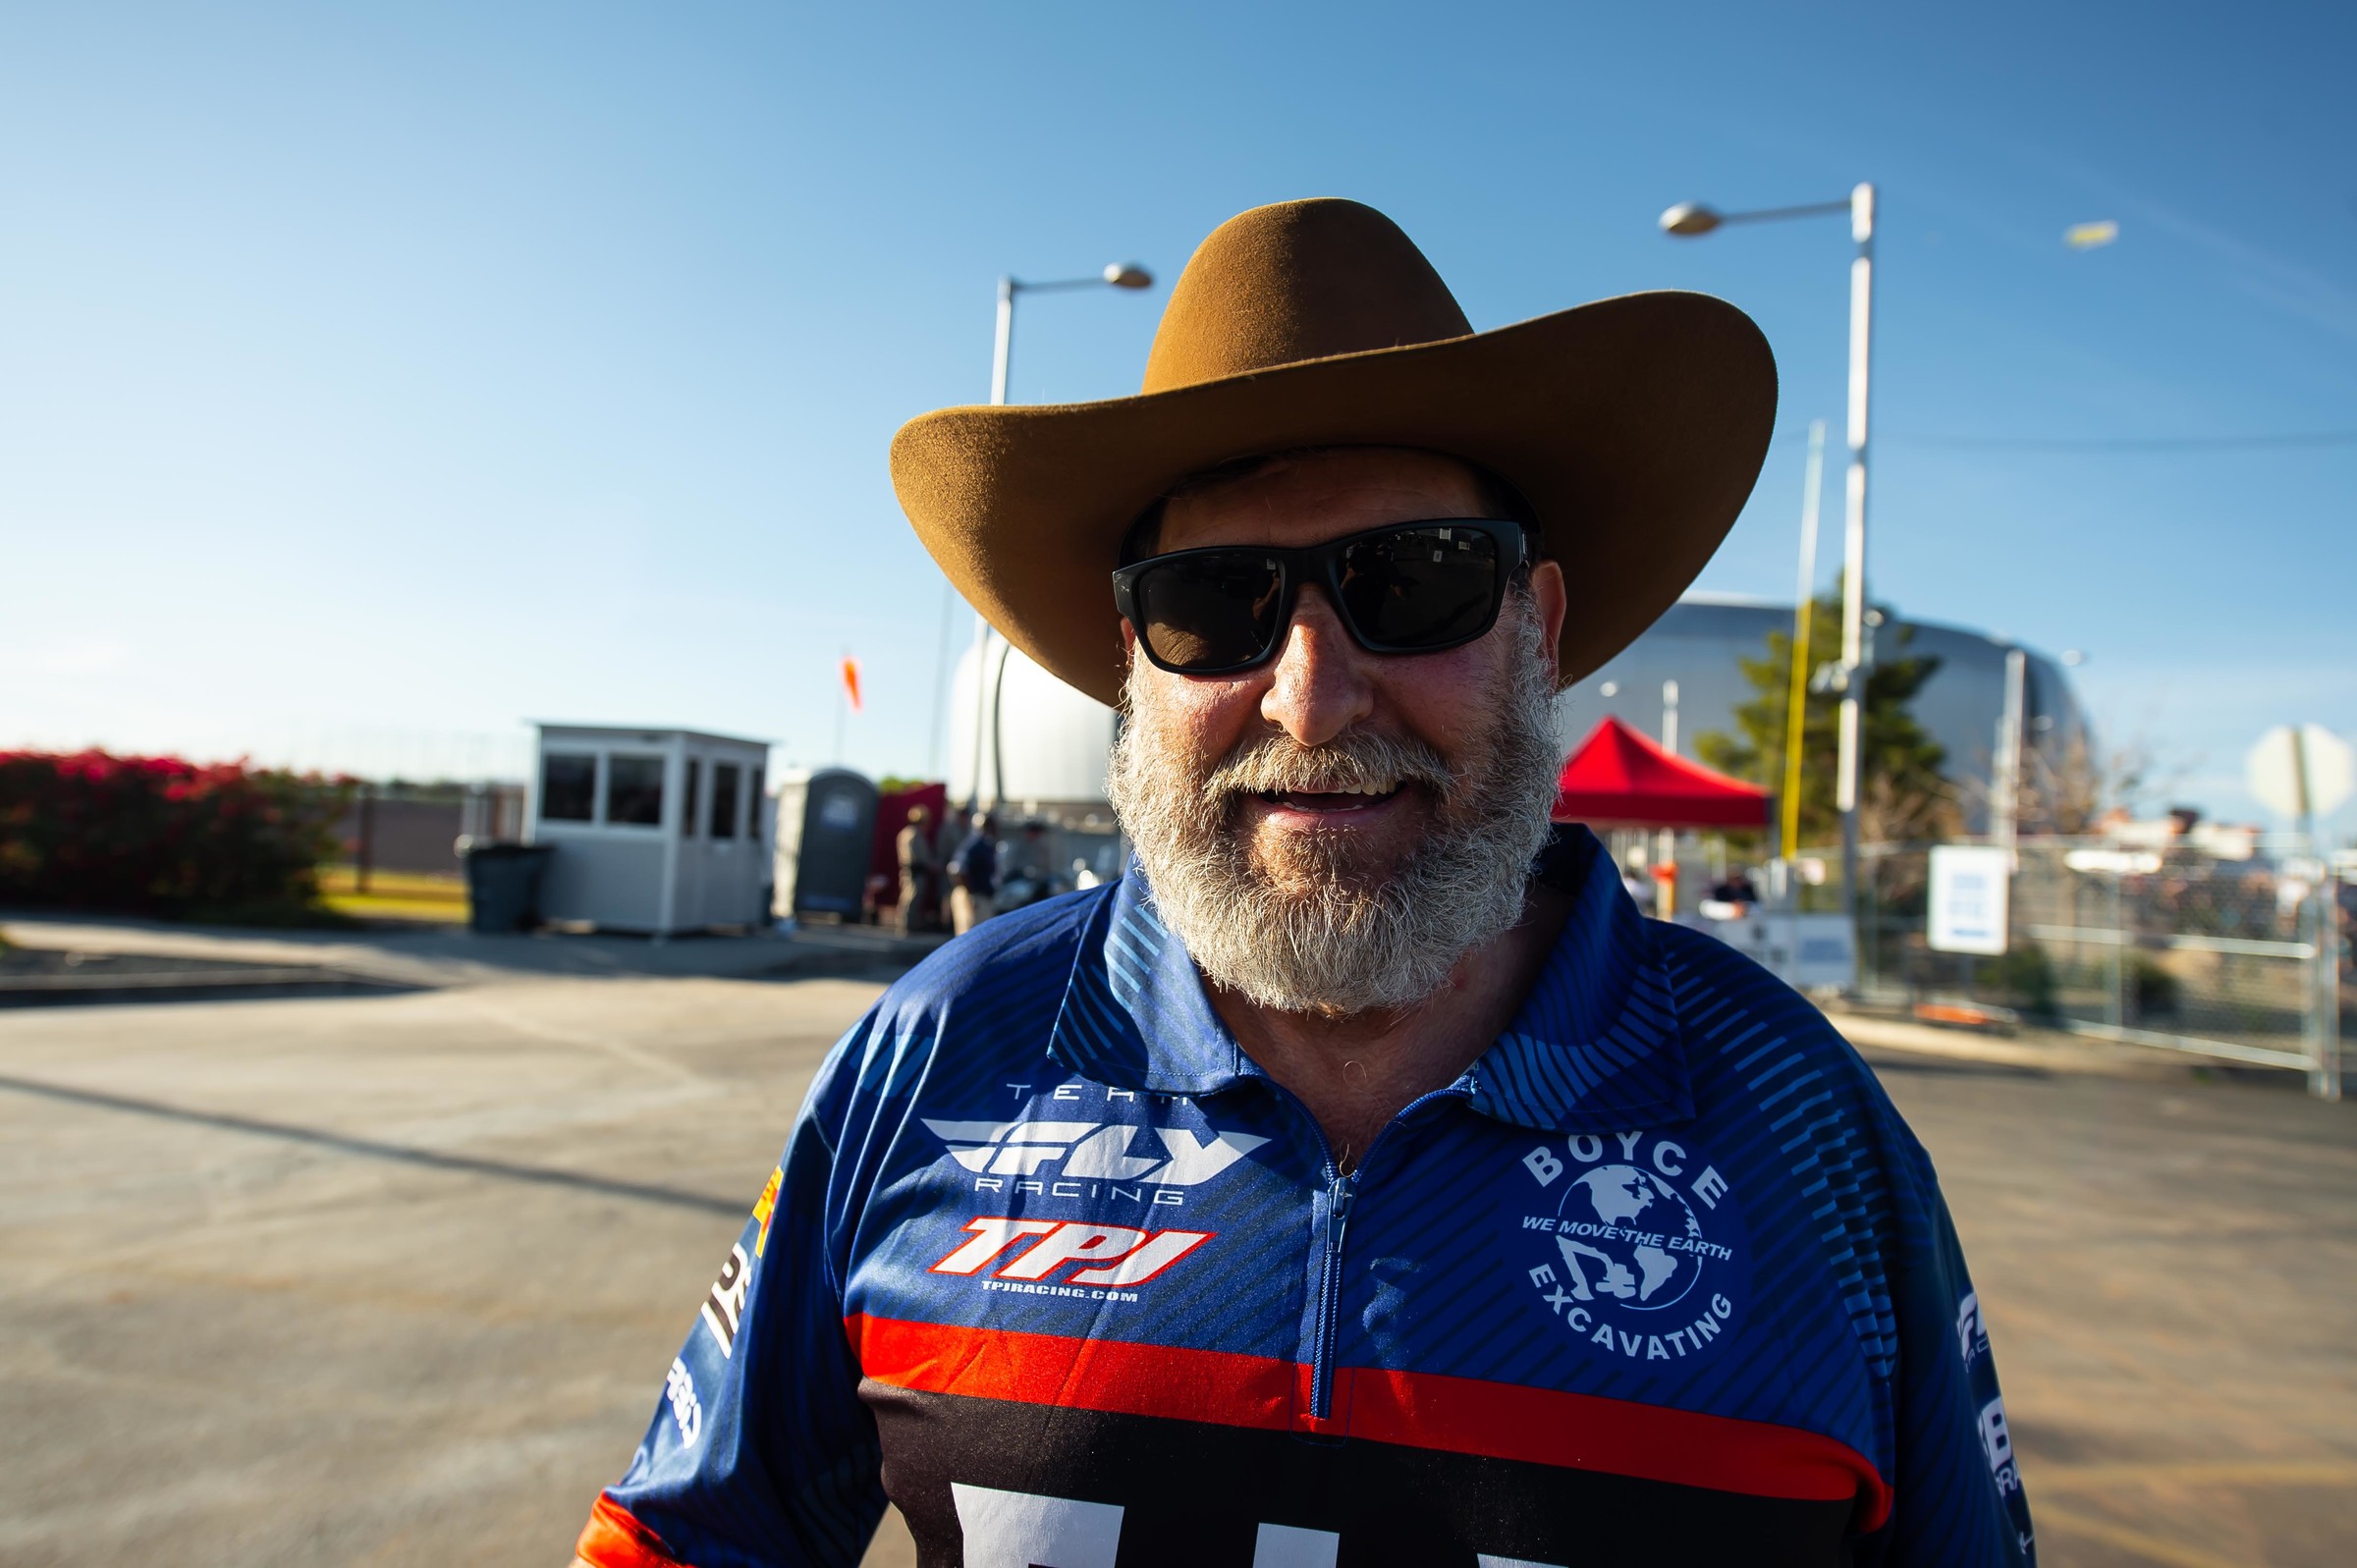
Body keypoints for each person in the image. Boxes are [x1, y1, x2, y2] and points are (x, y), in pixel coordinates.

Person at [575, 200, 2034, 1566]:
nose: (1314, 699)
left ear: (1539, 623)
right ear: (1133, 663)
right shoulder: (945, 1052)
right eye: (1213, 607)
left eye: (1417, 582)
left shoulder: (1800, 1120)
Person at [944, 811, 997, 934]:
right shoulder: (975, 845)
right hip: (974, 896)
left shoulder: (985, 845)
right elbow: (956, 870)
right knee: (972, 937)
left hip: (978, 895)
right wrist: (970, 893)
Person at [893, 804, 939, 935]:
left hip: (916, 871)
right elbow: (916, 857)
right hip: (914, 871)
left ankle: (909, 923)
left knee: (912, 898)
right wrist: (930, 865)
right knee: (910, 898)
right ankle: (906, 924)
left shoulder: (910, 833)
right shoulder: (913, 834)